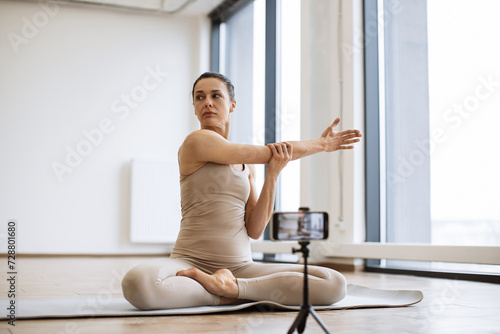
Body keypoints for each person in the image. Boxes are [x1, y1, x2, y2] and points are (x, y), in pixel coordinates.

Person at [121, 72, 362, 310]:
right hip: (189, 262)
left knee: (334, 283)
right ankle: (225, 292)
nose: (207, 102)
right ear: (194, 108)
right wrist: (322, 144)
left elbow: (255, 229)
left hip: (241, 267)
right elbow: (270, 152)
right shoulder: (196, 142)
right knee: (138, 283)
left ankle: (232, 289)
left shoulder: (248, 168)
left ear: (232, 105)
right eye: (199, 97)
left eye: (216, 96)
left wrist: (273, 175)